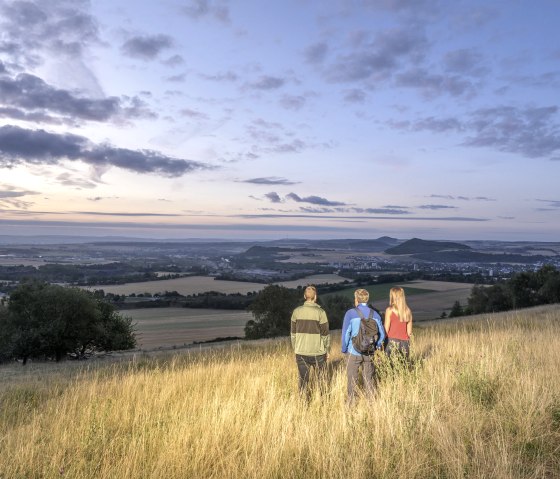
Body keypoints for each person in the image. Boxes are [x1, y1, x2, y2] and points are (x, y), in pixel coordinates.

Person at [342, 288, 385, 403]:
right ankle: (371, 403)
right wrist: (376, 346)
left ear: (356, 299)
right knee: (369, 379)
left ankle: (351, 405)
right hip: (369, 351)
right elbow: (382, 335)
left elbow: (345, 334)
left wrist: (344, 349)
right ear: (367, 299)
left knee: (352, 380)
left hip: (353, 351)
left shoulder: (350, 313)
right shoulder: (375, 314)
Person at [290, 285, 330, 397]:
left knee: (303, 381)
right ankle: (324, 404)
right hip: (319, 352)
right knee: (322, 380)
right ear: (315, 297)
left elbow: (293, 334)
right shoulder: (321, 312)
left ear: (304, 296)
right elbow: (325, 334)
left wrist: (296, 348)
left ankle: (303, 407)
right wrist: (327, 349)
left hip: (301, 351)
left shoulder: (296, 312)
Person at [384, 286, 413, 358]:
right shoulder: (408, 311)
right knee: (403, 365)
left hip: (391, 341)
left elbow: (386, 330)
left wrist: (381, 343)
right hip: (405, 342)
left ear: (392, 296)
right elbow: (409, 332)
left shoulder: (389, 310)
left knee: (390, 366)